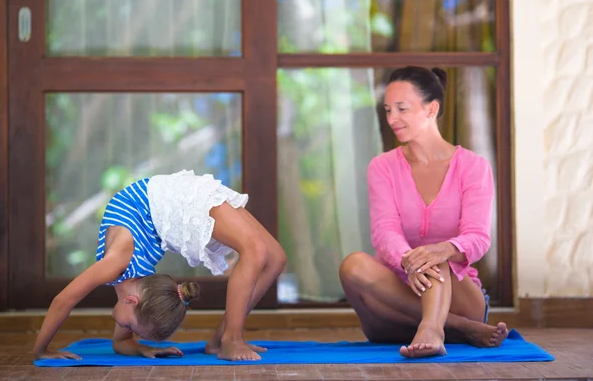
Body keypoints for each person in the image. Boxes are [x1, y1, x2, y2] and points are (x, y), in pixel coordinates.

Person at [339, 66, 509, 358]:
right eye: (388, 109)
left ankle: (433, 326)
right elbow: (384, 231)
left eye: (402, 109)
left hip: (459, 296)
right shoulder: (382, 166)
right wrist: (409, 261)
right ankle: (458, 328)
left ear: (431, 109)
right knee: (353, 265)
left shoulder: (473, 166)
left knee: (437, 254)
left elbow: (478, 237)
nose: (392, 119)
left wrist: (441, 250)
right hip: (391, 307)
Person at [33, 170, 287, 362]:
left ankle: (231, 338)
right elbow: (121, 344)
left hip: (161, 200)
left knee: (258, 251)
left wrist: (42, 350)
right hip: (156, 208)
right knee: (274, 258)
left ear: (132, 302)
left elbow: (62, 301)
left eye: (131, 328)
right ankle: (221, 339)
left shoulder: (114, 266)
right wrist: (144, 347)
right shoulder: (137, 287)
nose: (125, 330)